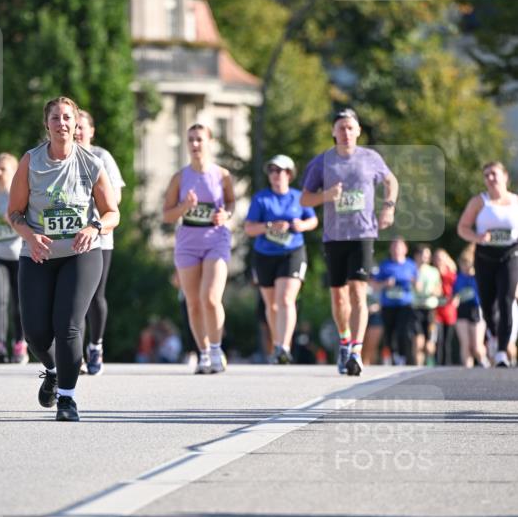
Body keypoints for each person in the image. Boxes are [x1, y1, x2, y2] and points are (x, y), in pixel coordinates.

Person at [8, 96, 119, 421]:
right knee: (36, 334)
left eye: (67, 118)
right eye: (55, 118)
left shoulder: (90, 163)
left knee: (69, 326)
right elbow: (13, 213)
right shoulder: (31, 161)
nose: (62, 123)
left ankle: (68, 400)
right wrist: (30, 236)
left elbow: (113, 212)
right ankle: (53, 369)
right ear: (47, 124)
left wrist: (95, 226)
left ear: (75, 123)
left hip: (80, 254)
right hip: (38, 255)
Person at [300, 108, 398, 376]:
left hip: (363, 233)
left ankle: (356, 349)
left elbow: (391, 181)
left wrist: (388, 207)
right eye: (340, 127)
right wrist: (327, 195)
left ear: (358, 131)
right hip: (335, 237)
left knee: (357, 291)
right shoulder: (322, 162)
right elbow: (305, 199)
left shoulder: (371, 158)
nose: (345, 132)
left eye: (350, 127)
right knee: (338, 296)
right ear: (333, 132)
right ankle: (344, 339)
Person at [162, 123, 235, 374]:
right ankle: (203, 352)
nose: (194, 144)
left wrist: (226, 214)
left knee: (211, 298)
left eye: (199, 139)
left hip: (216, 239)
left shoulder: (222, 175)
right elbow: (168, 215)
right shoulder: (180, 178)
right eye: (190, 139)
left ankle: (216, 349)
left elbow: (232, 203)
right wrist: (185, 206)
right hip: (188, 242)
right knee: (193, 302)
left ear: (209, 142)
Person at [244, 154, 317, 364]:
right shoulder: (261, 198)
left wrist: (299, 225)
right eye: (272, 171)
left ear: (289, 174)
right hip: (265, 255)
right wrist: (269, 226)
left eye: (280, 171)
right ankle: (277, 344)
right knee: (272, 304)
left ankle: (284, 346)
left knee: (286, 299)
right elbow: (249, 228)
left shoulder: (299, 196)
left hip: (292, 252)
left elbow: (312, 220)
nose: (276, 175)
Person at [73, 109, 125, 376]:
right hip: (72, 239)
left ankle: (96, 345)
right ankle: (76, 355)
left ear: (91, 131)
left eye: (83, 127)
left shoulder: (102, 157)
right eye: (75, 126)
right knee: (76, 298)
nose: (78, 131)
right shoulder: (62, 158)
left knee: (95, 296)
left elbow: (115, 198)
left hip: (100, 237)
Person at [457, 161, 518, 368]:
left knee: (506, 300)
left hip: (510, 254)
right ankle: (493, 334)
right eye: (486, 175)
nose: (490, 179)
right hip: (484, 257)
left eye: (494, 174)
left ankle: (501, 351)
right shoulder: (479, 202)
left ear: (505, 176)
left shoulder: (516, 202)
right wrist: (477, 236)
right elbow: (462, 228)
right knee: (487, 303)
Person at [0, 152, 28, 364]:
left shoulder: (20, 194)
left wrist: (9, 219)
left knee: (20, 303)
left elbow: (29, 227)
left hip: (18, 255)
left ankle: (20, 344)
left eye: (3, 169)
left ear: (14, 172)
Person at [373, 237, 417, 365]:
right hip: (388, 305)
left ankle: (403, 357)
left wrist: (413, 281)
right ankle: (392, 356)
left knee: (403, 331)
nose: (396, 249)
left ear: (405, 249)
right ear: (391, 249)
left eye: (399, 246)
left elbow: (418, 286)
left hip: (405, 305)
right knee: (389, 333)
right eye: (394, 246)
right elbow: (375, 285)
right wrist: (386, 284)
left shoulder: (411, 265)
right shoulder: (385, 265)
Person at [452, 246, 487, 368]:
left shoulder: (477, 277)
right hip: (462, 310)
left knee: (477, 346)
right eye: (462, 264)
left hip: (476, 310)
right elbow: (454, 294)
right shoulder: (457, 278)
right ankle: (467, 372)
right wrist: (454, 299)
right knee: (465, 344)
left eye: (467, 264)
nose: (465, 267)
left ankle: (484, 361)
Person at [411, 244, 441, 366]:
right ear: (417, 256)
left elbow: (439, 289)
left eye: (428, 255)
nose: (426, 258)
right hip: (416, 308)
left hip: (430, 310)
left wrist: (435, 291)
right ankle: (418, 367)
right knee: (418, 342)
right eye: (423, 255)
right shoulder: (412, 270)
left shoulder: (433, 271)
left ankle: (429, 366)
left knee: (429, 344)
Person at [433, 248, 458, 366]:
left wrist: (456, 298)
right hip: (435, 311)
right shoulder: (432, 273)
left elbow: (457, 289)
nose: (439, 260)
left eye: (441, 257)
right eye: (437, 258)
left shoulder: (451, 274)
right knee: (439, 339)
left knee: (448, 340)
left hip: (449, 310)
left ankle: (447, 364)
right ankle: (437, 363)